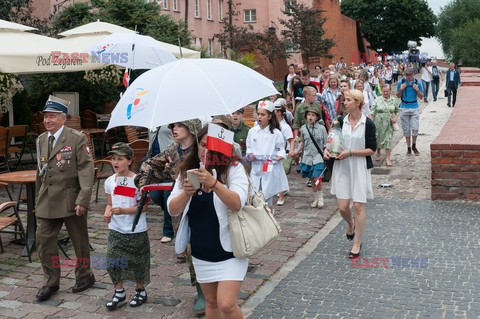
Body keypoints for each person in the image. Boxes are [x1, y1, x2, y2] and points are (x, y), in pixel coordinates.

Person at [167, 125, 249, 319]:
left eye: (212, 146)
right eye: (203, 145)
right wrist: (186, 193)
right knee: (211, 303)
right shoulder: (188, 171)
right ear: (197, 146)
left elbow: (237, 202)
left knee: (226, 304)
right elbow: (172, 208)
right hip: (201, 249)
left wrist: (214, 183)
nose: (207, 150)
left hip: (231, 249)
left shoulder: (233, 169)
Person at [134, 119, 206, 314]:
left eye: (179, 126)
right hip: (180, 204)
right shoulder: (172, 150)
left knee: (204, 246)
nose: (174, 129)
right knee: (190, 249)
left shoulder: (203, 147)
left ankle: (209, 289)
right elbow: (150, 164)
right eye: (173, 126)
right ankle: (200, 291)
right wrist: (142, 181)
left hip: (204, 204)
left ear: (191, 129)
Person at [35, 95, 95, 301]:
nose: (47, 121)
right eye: (45, 117)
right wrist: (37, 198)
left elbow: (86, 170)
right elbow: (40, 172)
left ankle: (85, 276)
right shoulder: (41, 140)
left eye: (52, 116)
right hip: (47, 200)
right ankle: (50, 282)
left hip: (71, 198)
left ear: (63, 118)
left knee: (80, 242)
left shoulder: (76, 138)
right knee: (44, 241)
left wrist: (83, 199)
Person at [324, 89, 376, 258]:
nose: (344, 103)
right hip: (342, 166)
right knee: (343, 207)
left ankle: (357, 243)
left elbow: (372, 150)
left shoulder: (368, 123)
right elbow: (331, 141)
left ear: (357, 103)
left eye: (347, 100)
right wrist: (326, 150)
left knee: (359, 205)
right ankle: (350, 223)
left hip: (359, 165)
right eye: (344, 100)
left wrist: (351, 152)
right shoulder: (339, 121)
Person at [103, 143, 150, 310]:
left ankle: (140, 290)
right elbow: (109, 203)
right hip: (116, 229)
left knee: (138, 262)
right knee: (112, 260)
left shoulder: (139, 181)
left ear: (129, 161)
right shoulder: (109, 181)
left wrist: (123, 210)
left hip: (135, 228)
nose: (115, 162)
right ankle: (119, 291)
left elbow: (143, 207)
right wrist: (107, 212)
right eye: (113, 159)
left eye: (120, 159)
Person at [246, 100, 289, 206]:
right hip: (256, 170)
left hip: (269, 170)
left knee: (267, 200)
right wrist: (250, 154)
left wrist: (276, 159)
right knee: (254, 199)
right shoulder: (252, 132)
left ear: (270, 116)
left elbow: (281, 150)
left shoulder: (276, 133)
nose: (259, 117)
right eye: (258, 114)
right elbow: (249, 147)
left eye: (263, 115)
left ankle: (267, 220)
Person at [299, 107, 328, 208]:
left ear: (317, 117)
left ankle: (320, 197)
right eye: (309, 115)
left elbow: (326, 143)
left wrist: (326, 152)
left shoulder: (322, 128)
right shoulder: (303, 128)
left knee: (317, 177)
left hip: (318, 156)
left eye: (313, 115)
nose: (310, 117)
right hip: (307, 157)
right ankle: (315, 198)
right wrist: (295, 151)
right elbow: (302, 143)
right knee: (311, 179)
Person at [369, 84, 400, 166]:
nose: (385, 93)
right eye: (384, 91)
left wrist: (396, 118)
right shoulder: (377, 100)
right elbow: (372, 112)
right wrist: (370, 123)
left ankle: (388, 158)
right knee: (378, 138)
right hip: (378, 122)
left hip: (389, 123)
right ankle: (378, 152)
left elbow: (397, 111)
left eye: (387, 91)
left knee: (388, 139)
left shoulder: (393, 100)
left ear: (390, 91)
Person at [396, 67, 424, 155]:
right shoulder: (401, 82)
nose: (408, 77)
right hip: (404, 107)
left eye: (410, 75)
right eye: (407, 75)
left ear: (413, 74)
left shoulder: (417, 83)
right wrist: (401, 89)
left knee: (415, 129)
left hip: (414, 107)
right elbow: (397, 95)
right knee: (406, 130)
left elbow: (421, 96)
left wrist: (417, 90)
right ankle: (408, 147)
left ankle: (414, 145)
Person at [274, 101, 295, 206]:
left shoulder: (285, 127)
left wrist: (291, 150)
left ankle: (281, 193)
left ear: (280, 113)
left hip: (282, 152)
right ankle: (283, 189)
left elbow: (291, 139)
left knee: (279, 173)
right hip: (273, 152)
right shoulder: (272, 125)